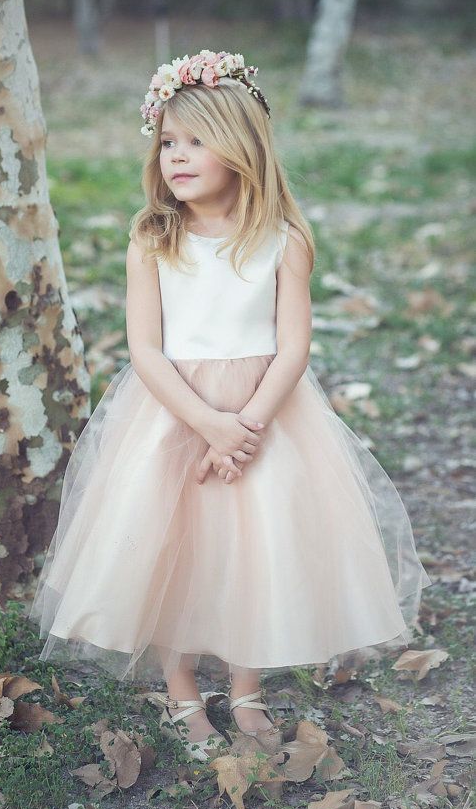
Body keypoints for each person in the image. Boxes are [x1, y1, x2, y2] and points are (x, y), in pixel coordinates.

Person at [28, 49, 432, 762]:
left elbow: (293, 347)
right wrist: (208, 423)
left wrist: (244, 427)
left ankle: (245, 687)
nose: (176, 156)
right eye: (167, 142)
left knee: (256, 547)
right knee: (170, 547)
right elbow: (145, 350)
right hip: (174, 414)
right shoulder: (153, 237)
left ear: (241, 147)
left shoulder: (283, 239)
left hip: (267, 415)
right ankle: (181, 686)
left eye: (196, 141)